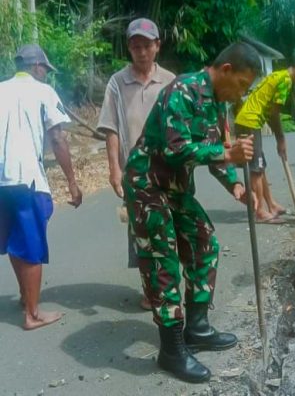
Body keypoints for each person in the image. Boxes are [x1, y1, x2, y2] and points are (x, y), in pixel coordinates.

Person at [123, 42, 261, 383]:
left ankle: (197, 328)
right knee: (163, 260)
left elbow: (216, 148)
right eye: (242, 85)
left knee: (205, 242)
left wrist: (236, 186)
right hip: (147, 184)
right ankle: (170, 349)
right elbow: (176, 149)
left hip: (175, 187)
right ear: (226, 70)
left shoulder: (218, 104)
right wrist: (227, 156)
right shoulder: (183, 91)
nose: (241, 94)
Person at [0, 44, 82, 330]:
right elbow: (58, 138)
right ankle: (32, 314)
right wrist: (72, 182)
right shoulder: (43, 91)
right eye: (45, 70)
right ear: (36, 67)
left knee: (13, 239)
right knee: (32, 246)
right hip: (25, 179)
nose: (46, 75)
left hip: (1, 181)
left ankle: (26, 296)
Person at [97, 18, 175, 310]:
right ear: (129, 48)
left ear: (157, 46)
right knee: (140, 233)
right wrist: (114, 170)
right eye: (135, 46)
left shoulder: (170, 80)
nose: (141, 51)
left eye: (146, 45)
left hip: (168, 170)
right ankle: (150, 288)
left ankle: (168, 285)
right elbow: (111, 127)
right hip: (134, 172)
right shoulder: (117, 83)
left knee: (169, 227)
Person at [234, 54, 295, 222]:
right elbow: (274, 114)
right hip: (250, 121)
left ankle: (272, 205)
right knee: (256, 169)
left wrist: (280, 139)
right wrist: (281, 140)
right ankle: (260, 212)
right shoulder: (285, 81)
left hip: (248, 120)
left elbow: (270, 112)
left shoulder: (277, 75)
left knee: (260, 165)